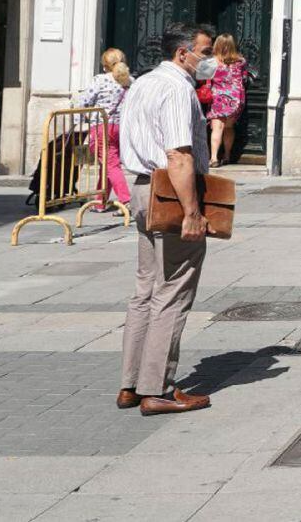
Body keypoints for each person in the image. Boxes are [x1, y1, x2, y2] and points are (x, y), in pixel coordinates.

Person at [115, 23, 217, 416]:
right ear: (183, 53)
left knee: (146, 289)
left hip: (142, 188)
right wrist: (192, 211)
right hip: (171, 192)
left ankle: (130, 384)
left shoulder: (142, 83)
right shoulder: (177, 88)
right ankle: (156, 388)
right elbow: (178, 155)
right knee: (173, 290)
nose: (209, 60)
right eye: (205, 52)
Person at [75, 48, 133, 214]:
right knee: (107, 164)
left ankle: (126, 201)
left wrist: (78, 122)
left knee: (111, 164)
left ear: (105, 65)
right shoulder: (129, 81)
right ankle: (100, 202)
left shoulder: (100, 80)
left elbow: (84, 101)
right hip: (120, 128)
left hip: (101, 127)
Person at [207, 34, 251, 167]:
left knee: (217, 127)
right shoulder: (241, 62)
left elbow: (203, 78)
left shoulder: (211, 62)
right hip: (236, 98)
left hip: (218, 98)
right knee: (229, 127)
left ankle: (214, 158)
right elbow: (244, 78)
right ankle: (226, 155)